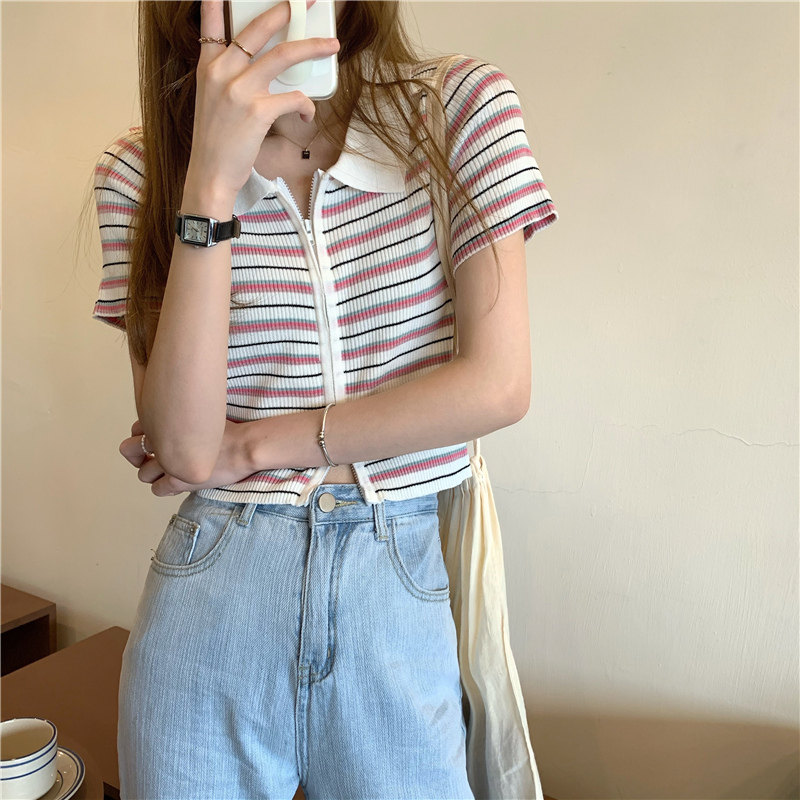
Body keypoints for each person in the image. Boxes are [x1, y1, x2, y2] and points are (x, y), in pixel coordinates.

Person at [92, 0, 558, 797]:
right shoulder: (141, 169)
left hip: (395, 575)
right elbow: (188, 448)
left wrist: (256, 443)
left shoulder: (458, 110)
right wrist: (210, 179)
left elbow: (497, 384)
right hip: (213, 592)